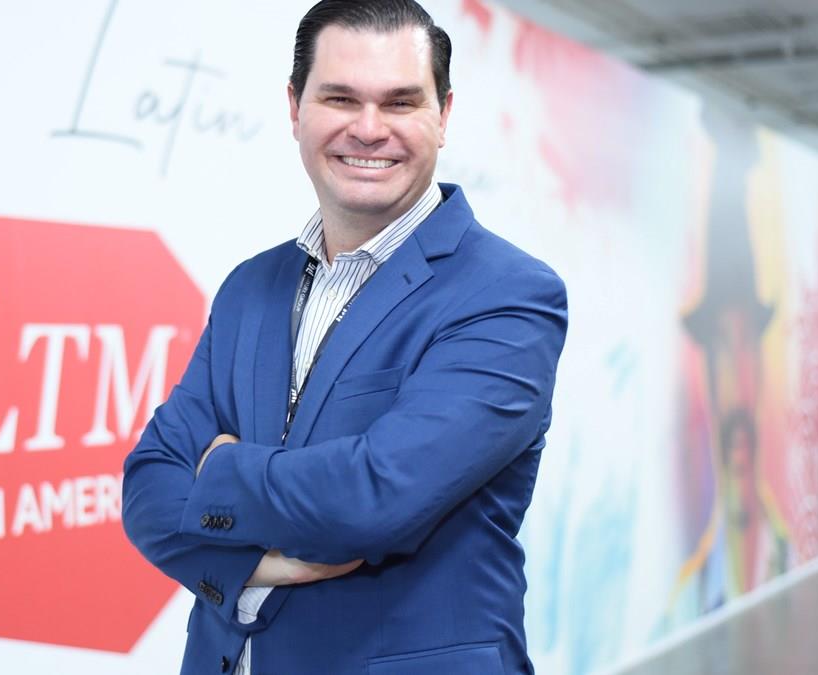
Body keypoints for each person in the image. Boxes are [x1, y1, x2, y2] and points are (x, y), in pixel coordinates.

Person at [121, 1, 568, 673]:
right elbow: (148, 488)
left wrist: (218, 470)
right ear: (295, 107)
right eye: (340, 98)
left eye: (400, 102)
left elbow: (374, 497)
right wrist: (252, 567)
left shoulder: (506, 294)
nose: (368, 128)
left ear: (443, 115)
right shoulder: (250, 287)